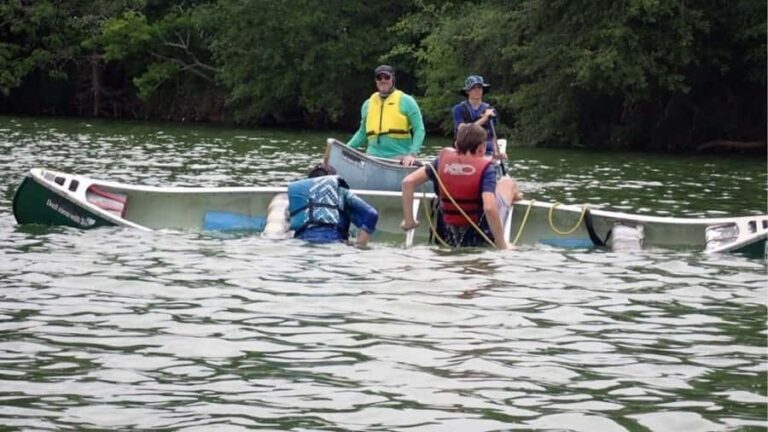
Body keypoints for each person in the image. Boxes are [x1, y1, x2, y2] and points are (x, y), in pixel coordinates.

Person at [400, 123, 522, 249]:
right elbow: (490, 208)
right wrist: (502, 244)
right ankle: (516, 195)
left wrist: (409, 222)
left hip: (444, 233)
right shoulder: (487, 169)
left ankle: (516, 195)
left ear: (456, 145)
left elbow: (408, 182)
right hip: (480, 235)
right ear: (482, 148)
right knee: (507, 183)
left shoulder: (440, 162)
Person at [347, 65, 425, 166]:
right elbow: (362, 133)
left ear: (393, 79)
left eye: (387, 77)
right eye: (379, 78)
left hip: (399, 157)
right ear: (376, 81)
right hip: (373, 156)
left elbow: (419, 129)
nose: (383, 80)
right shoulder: (367, 104)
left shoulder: (407, 101)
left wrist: (412, 154)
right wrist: (345, 149)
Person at [288, 163, 379, 246]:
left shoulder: (301, 195)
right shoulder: (341, 192)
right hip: (334, 242)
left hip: (302, 243)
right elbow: (371, 214)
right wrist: (360, 245)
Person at [451, 75, 506, 160]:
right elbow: (463, 131)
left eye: (479, 88)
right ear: (467, 91)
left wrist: (497, 152)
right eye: (473, 88)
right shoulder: (458, 109)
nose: (477, 90)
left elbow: (492, 135)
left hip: (484, 149)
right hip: (465, 149)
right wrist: (484, 119)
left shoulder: (491, 110)